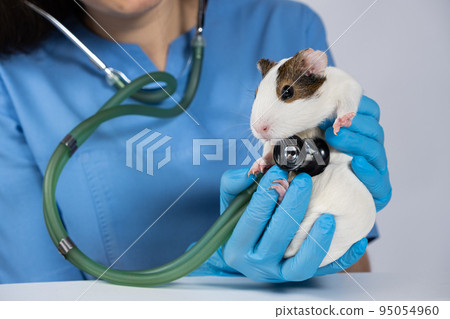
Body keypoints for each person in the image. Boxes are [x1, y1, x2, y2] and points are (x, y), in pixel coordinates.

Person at [0, 0, 391, 284]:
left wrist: (344, 213)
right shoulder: (13, 77)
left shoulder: (287, 25)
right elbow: (37, 300)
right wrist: (207, 277)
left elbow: (349, 282)